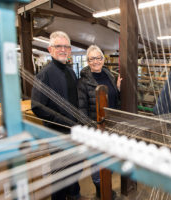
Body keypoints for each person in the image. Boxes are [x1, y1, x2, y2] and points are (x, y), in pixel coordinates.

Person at [31, 31, 80, 199]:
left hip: (74, 131)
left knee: (74, 167)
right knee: (60, 175)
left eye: (66, 46)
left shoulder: (71, 72)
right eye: (59, 46)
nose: (63, 50)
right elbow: (37, 106)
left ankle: (74, 194)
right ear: (50, 49)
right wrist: (63, 121)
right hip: (56, 134)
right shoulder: (44, 75)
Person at [77, 45, 121, 198]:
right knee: (97, 162)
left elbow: (114, 100)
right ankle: (100, 189)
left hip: (111, 126)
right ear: (88, 61)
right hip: (95, 128)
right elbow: (81, 109)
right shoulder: (83, 82)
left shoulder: (109, 75)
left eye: (98, 58)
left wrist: (118, 89)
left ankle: (104, 186)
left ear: (103, 59)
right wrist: (91, 129)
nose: (96, 61)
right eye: (92, 58)